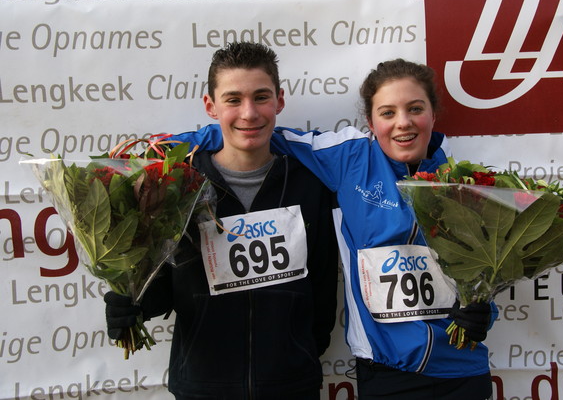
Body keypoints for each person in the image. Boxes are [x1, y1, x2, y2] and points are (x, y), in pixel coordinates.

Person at [173, 58, 498, 399]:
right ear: (370, 122)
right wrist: (173, 146)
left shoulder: (466, 183)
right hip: (387, 369)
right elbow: (254, 129)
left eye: (415, 109)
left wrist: (482, 310)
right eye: (387, 112)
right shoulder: (348, 159)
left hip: (463, 366)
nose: (403, 123)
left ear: (433, 114)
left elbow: (487, 268)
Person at [104, 42, 339, 400]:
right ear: (210, 106)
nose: (249, 113)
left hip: (292, 386)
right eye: (233, 99)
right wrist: (132, 302)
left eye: (261, 97)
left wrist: (302, 354)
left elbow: (322, 283)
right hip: (202, 387)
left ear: (280, 101)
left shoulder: (309, 184)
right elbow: (164, 282)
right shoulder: (180, 185)